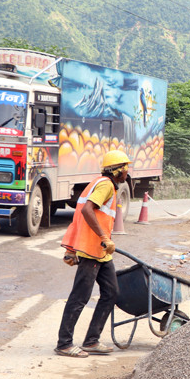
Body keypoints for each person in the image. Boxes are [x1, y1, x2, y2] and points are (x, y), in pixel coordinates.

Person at [55, 149, 131, 358]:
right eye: (126, 168)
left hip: (101, 252)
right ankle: (64, 344)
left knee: (111, 292)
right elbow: (86, 211)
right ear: (118, 171)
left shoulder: (101, 184)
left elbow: (79, 218)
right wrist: (105, 238)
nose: (128, 173)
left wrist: (71, 248)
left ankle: (91, 341)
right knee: (80, 296)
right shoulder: (105, 185)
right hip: (92, 250)